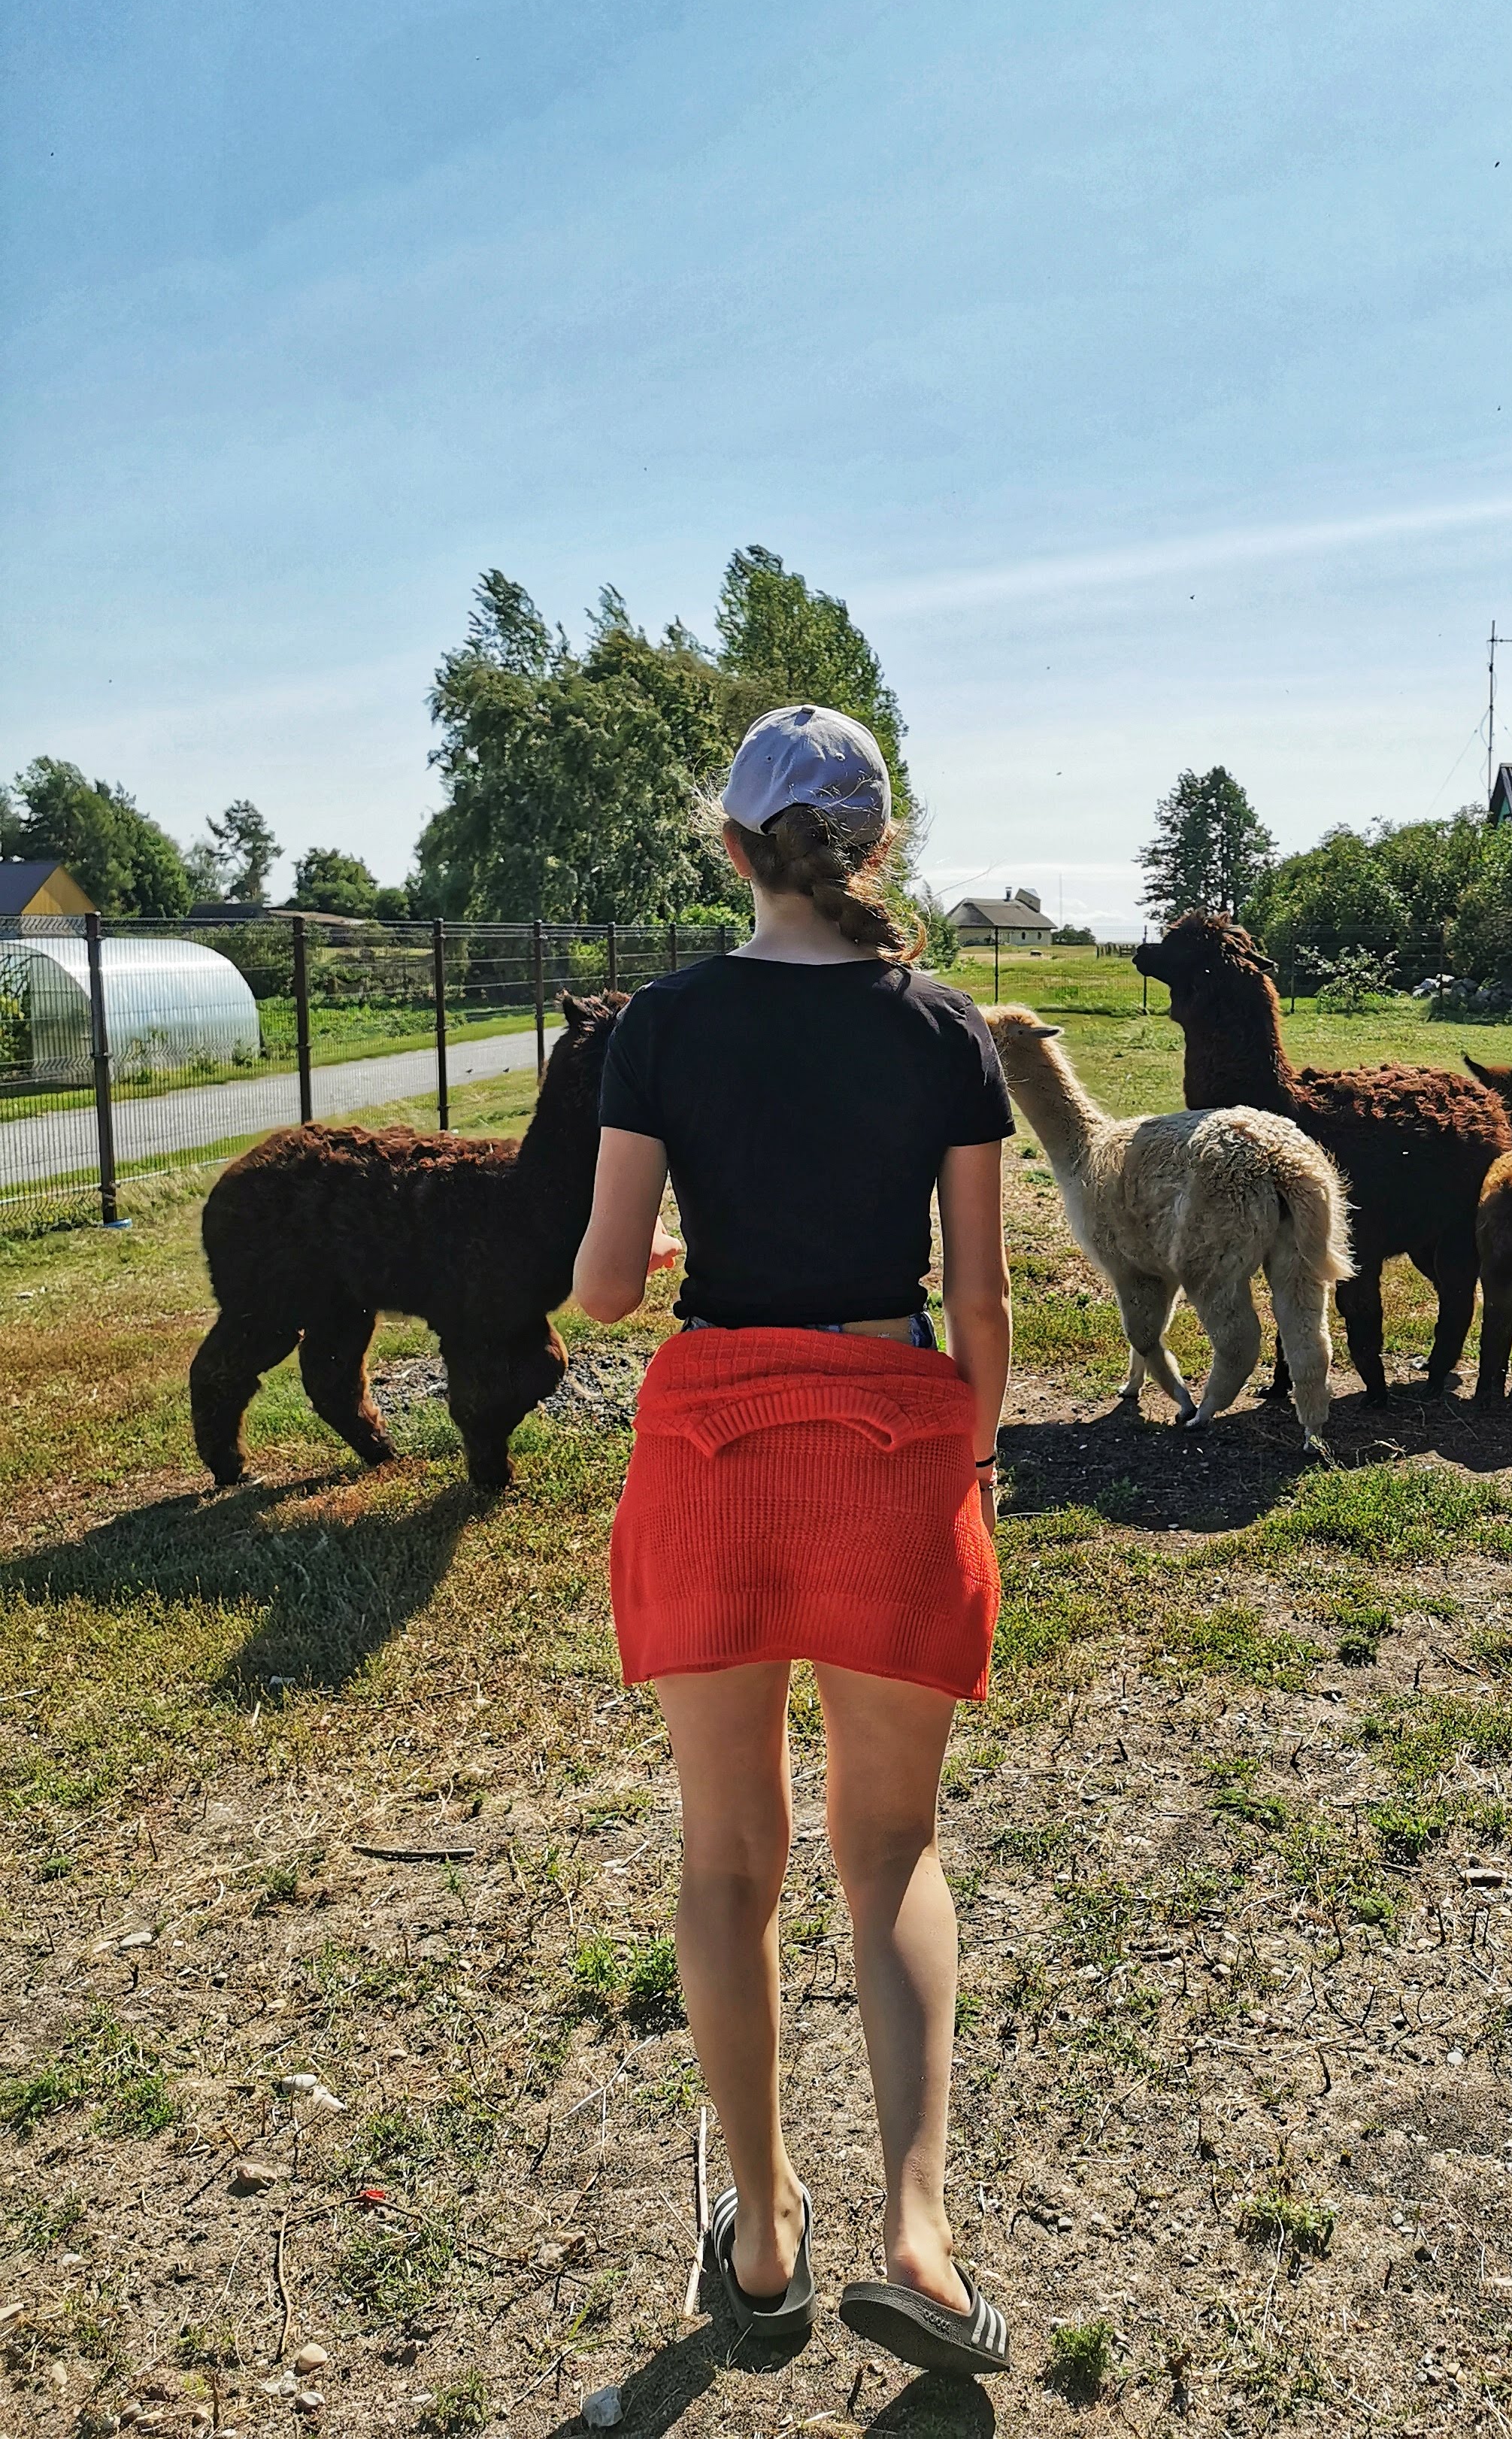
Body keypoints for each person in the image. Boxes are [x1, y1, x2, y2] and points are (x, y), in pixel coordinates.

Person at [571, 705, 1014, 2378]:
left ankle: (762, 2241)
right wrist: (958, 1454)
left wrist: (687, 1228)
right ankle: (920, 2233)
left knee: (727, 1858)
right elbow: (974, 1302)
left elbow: (606, 1288)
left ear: (738, 851)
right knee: (889, 1848)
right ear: (877, 852)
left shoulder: (663, 1027)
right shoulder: (945, 1034)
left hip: (714, 1442)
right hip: (891, 1422)